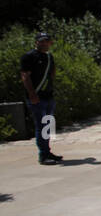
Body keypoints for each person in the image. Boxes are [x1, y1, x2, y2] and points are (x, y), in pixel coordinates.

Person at [19, 31, 62, 165]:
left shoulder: (49, 57)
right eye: (41, 41)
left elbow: (52, 73)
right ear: (36, 42)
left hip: (48, 95)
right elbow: (25, 76)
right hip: (36, 96)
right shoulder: (28, 57)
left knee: (48, 125)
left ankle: (47, 151)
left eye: (46, 41)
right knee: (41, 125)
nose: (44, 43)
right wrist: (32, 94)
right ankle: (43, 155)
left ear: (50, 42)